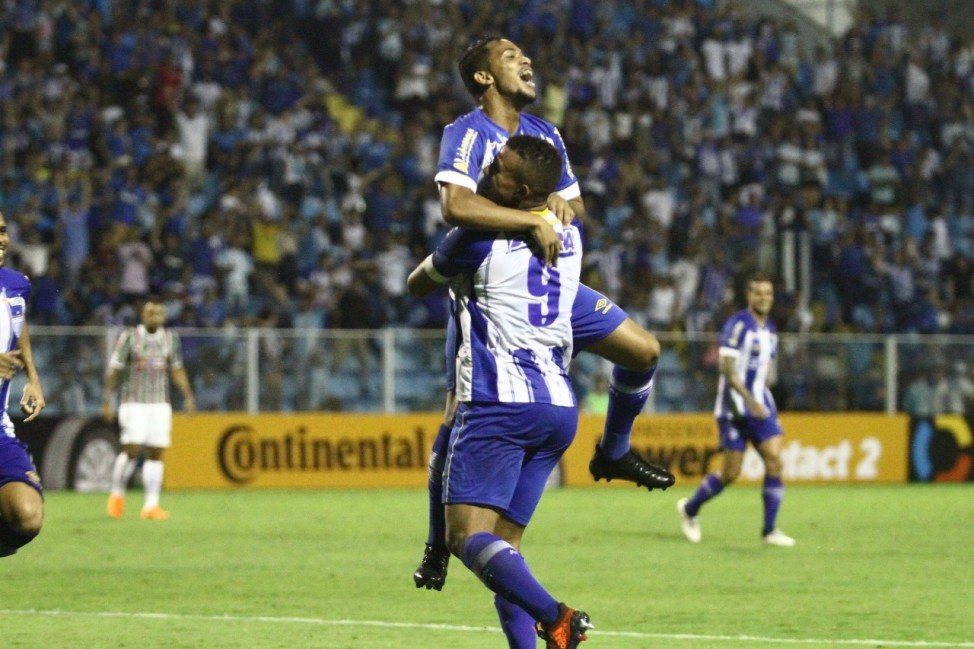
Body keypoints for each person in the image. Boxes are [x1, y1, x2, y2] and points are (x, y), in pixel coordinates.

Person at [415, 34, 674, 591]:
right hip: (489, 293)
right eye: (510, 56)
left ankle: (615, 451)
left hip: (552, 288)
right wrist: (529, 221)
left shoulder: (545, 133)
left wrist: (561, 206)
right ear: (484, 78)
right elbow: (454, 205)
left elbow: (575, 204)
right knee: (454, 416)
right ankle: (438, 544)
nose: (526, 59)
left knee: (644, 350)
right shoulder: (466, 133)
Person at [408, 135, 592, 649]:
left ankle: (559, 619)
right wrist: (546, 209)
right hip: (557, 407)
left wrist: (446, 253)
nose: (489, 168)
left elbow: (416, 284)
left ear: (526, 188)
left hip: (498, 405)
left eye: (502, 169)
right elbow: (562, 208)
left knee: (465, 537)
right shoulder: (569, 233)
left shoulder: (476, 237)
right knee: (504, 549)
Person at [677, 275, 795, 547]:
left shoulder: (770, 330)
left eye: (768, 293)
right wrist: (749, 400)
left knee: (775, 461)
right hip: (734, 409)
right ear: (749, 295)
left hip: (761, 406)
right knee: (730, 473)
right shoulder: (737, 325)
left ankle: (769, 530)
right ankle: (690, 510)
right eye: (758, 293)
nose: (764, 297)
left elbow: (766, 371)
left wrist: (765, 399)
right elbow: (727, 369)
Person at [102, 298, 196, 520]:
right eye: (151, 313)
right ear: (143, 315)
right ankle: (117, 494)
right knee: (132, 450)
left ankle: (151, 505)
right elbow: (115, 370)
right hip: (133, 402)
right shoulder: (129, 337)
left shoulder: (170, 338)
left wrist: (188, 396)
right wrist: (107, 399)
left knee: (156, 452)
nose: (156, 317)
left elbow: (176, 368)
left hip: (160, 403)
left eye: (159, 313)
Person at [0, 210, 48, 556]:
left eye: (2, 230)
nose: (1, 239)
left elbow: (20, 319)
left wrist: (33, 375)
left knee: (28, 517)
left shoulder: (16, 284)